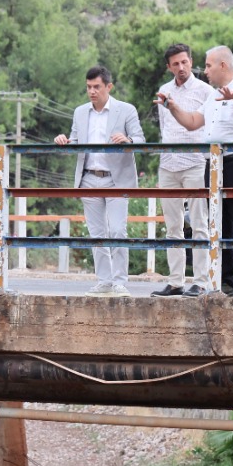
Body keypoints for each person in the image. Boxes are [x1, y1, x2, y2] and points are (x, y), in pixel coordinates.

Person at [172, 45, 233, 297]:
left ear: (223, 65)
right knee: (218, 225)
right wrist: (173, 107)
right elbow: (193, 122)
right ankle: (226, 281)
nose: (206, 70)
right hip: (212, 165)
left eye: (209, 65)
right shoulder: (211, 95)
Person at [56, 66, 145, 295]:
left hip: (117, 180)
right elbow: (76, 141)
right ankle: (104, 281)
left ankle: (119, 281)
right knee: (97, 234)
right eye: (88, 87)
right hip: (89, 179)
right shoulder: (80, 112)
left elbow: (141, 140)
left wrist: (127, 140)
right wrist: (65, 140)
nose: (92, 91)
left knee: (117, 231)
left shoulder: (125, 110)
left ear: (108, 87)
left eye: (96, 87)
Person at [153, 43, 215, 297]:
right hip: (168, 164)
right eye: (175, 63)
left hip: (194, 162)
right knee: (172, 225)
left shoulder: (205, 91)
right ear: (168, 67)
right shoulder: (164, 92)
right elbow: (166, 128)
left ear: (191, 61)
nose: (181, 67)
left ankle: (201, 280)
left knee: (199, 223)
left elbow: (205, 126)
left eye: (184, 62)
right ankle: (175, 280)